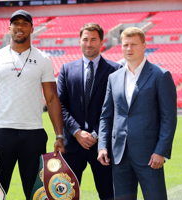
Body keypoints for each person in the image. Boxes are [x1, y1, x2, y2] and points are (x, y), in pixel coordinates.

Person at [0, 9, 65, 200]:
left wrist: (59, 135)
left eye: (24, 23)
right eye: (15, 23)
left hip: (34, 134)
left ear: (31, 28)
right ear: (9, 28)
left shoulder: (43, 59)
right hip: (2, 134)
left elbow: (52, 98)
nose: (19, 27)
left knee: (36, 194)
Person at [97, 27, 177, 200]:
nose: (129, 49)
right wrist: (102, 146)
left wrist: (161, 151)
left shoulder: (160, 75)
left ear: (144, 46)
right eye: (125, 45)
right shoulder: (114, 77)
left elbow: (168, 118)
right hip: (119, 155)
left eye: (134, 44)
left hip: (150, 155)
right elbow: (106, 116)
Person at [57, 23, 121, 200]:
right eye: (85, 39)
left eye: (93, 39)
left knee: (109, 194)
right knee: (65, 196)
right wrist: (77, 132)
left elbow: (117, 108)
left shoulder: (115, 70)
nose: (89, 43)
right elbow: (60, 105)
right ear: (80, 41)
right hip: (72, 145)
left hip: (103, 147)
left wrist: (95, 133)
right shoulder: (66, 69)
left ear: (101, 41)